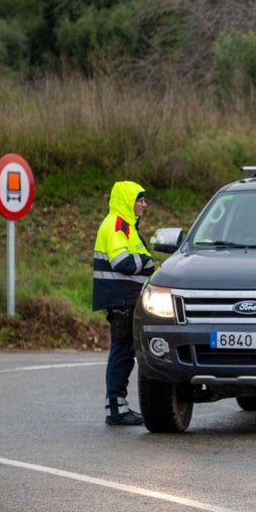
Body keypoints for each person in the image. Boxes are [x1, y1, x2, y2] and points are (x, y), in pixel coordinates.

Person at [92, 181, 156, 426]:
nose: (144, 204)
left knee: (124, 351)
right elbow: (123, 263)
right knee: (122, 352)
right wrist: (146, 263)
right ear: (128, 201)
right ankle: (116, 409)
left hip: (124, 299)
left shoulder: (125, 225)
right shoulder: (118, 225)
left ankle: (116, 406)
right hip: (122, 299)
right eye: (140, 200)